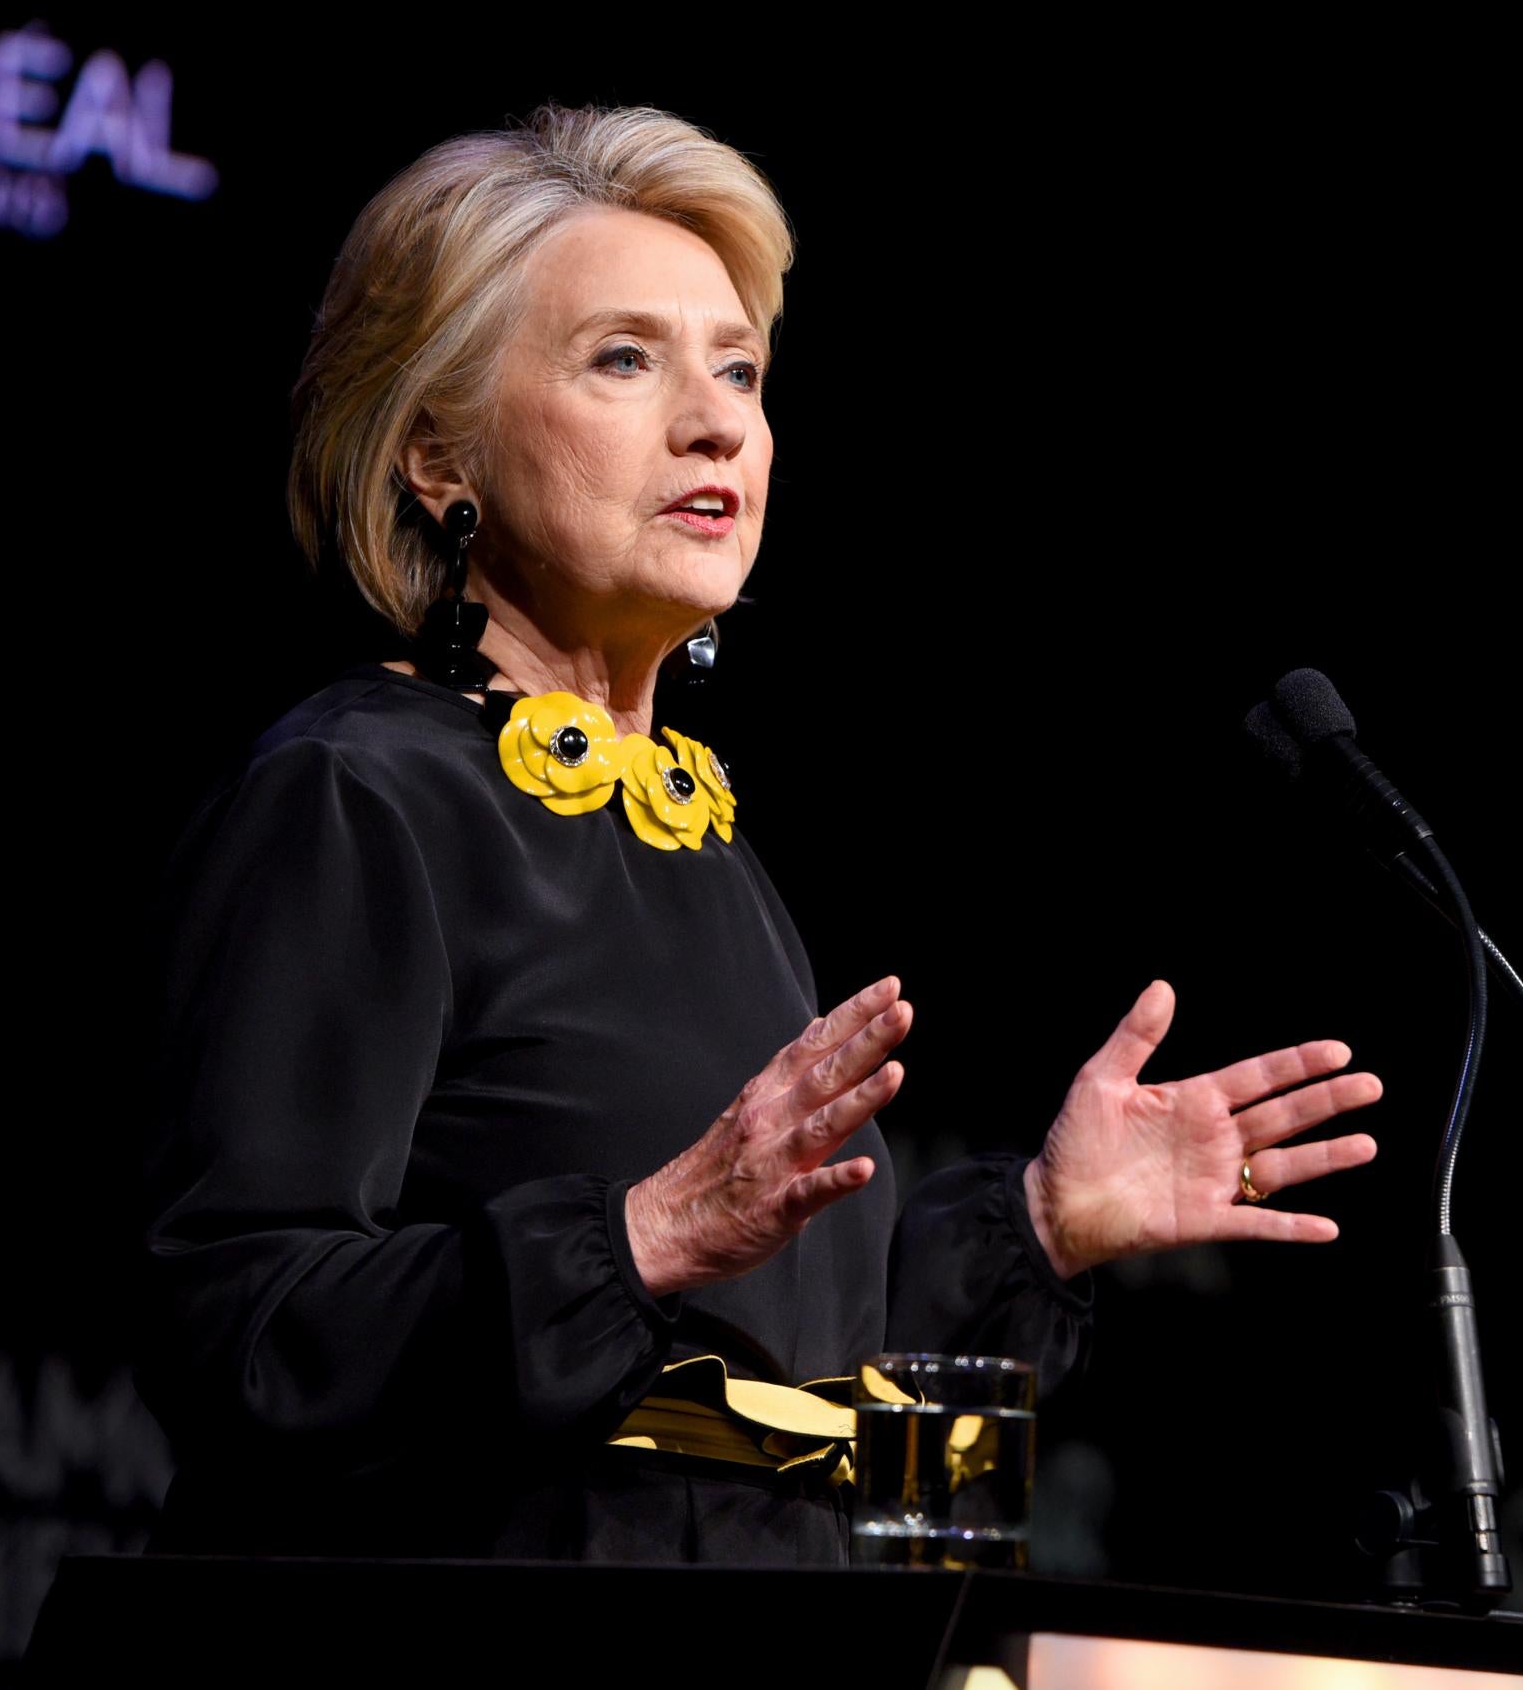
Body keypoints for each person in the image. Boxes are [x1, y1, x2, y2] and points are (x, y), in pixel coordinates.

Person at [134, 104, 1384, 1565]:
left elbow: (762, 1420)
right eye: (624, 359)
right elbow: (239, 1334)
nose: (718, 417)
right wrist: (642, 1236)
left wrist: (1039, 1227)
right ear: (436, 455)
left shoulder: (707, 853)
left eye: (740, 369)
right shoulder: (363, 797)